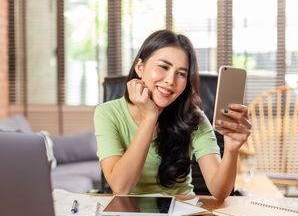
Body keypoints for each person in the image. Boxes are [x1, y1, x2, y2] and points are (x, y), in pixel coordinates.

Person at [94, 30, 251, 200]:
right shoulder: (107, 113)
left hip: (183, 215)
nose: (170, 80)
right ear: (140, 67)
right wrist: (150, 117)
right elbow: (121, 187)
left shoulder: (192, 117)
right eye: (163, 67)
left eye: (181, 73)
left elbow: (219, 192)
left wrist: (231, 149)